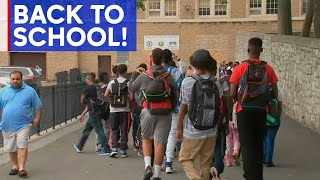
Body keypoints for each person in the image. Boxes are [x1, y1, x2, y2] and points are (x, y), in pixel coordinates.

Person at [230, 37, 278, 180]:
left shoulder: (240, 68)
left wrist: (240, 100)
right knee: (258, 144)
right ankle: (258, 176)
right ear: (261, 50)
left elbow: (232, 93)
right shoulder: (268, 69)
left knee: (246, 145)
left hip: (243, 111)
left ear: (248, 50)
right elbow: (275, 93)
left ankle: (249, 176)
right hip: (261, 110)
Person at [176, 49, 226, 180]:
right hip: (211, 130)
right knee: (206, 163)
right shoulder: (216, 82)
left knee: (184, 158)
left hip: (192, 131)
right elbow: (219, 106)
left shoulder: (187, 82)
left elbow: (183, 108)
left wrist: (178, 128)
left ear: (193, 64)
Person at [129, 48, 177, 180]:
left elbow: (131, 88)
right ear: (162, 60)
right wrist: (171, 107)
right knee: (160, 143)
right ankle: (156, 174)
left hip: (148, 111)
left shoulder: (145, 75)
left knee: (146, 139)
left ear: (151, 58)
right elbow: (175, 95)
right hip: (165, 113)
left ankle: (147, 167)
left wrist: (135, 73)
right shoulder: (168, 76)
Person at [0, 71, 42, 178]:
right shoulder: (3, 91)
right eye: (13, 79)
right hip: (7, 125)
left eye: (17, 79)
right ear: (10, 79)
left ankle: (22, 168)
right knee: (11, 148)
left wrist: (37, 118)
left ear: (21, 79)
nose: (15, 81)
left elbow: (38, 105)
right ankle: (15, 166)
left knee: (22, 144)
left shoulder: (30, 91)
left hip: (24, 124)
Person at [74, 73, 111, 156]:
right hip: (100, 111)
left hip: (94, 112)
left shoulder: (87, 89)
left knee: (99, 130)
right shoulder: (98, 87)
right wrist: (83, 114)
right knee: (87, 129)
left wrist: (85, 102)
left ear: (88, 79)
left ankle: (106, 148)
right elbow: (91, 103)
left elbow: (82, 101)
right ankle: (79, 146)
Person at [162, 49, 184, 174]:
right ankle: (169, 162)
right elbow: (181, 88)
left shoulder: (157, 71)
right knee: (172, 133)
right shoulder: (175, 72)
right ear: (171, 58)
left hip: (159, 107)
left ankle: (157, 161)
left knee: (160, 133)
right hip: (175, 107)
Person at [105, 64, 132, 158]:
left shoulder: (111, 82)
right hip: (125, 110)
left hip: (113, 110)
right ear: (125, 72)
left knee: (114, 129)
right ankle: (123, 150)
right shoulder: (128, 83)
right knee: (124, 130)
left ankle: (114, 148)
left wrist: (112, 100)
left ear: (117, 72)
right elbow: (131, 97)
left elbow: (106, 94)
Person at [131, 63, 148, 156]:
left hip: (137, 108)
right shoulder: (148, 79)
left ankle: (137, 145)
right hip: (145, 107)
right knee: (144, 129)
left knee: (137, 128)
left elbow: (131, 94)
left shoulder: (135, 81)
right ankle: (142, 147)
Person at [95, 72, 111, 152]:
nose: (109, 78)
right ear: (104, 78)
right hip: (106, 110)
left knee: (99, 128)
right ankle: (104, 144)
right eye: (107, 77)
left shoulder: (96, 88)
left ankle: (98, 144)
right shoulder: (107, 88)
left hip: (98, 110)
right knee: (107, 128)